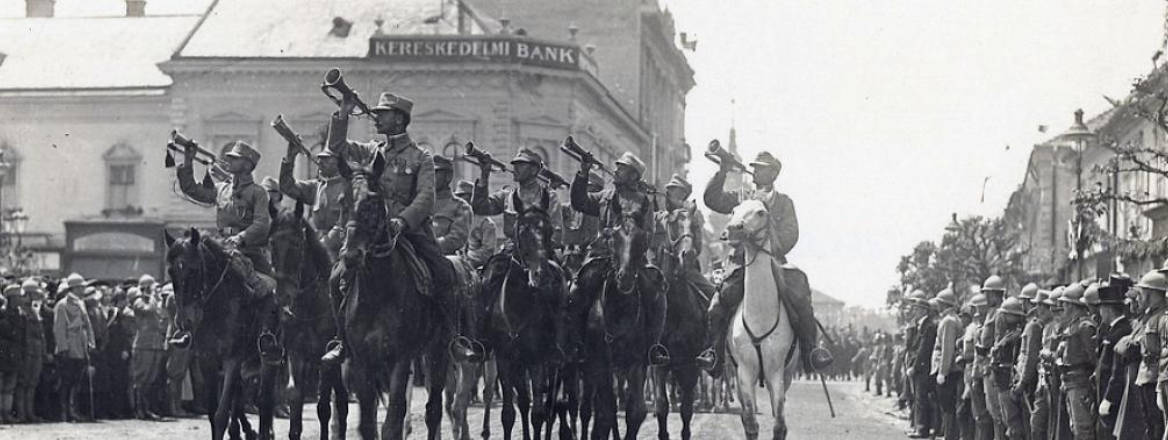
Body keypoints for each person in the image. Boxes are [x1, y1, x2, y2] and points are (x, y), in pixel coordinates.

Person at [320, 91, 471, 364]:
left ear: (400, 119)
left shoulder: (420, 157)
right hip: (372, 230)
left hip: (409, 232)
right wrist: (343, 113)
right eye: (376, 113)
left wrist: (403, 220)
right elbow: (337, 148)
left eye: (383, 113)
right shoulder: (371, 151)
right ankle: (342, 339)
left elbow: (426, 197)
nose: (377, 117)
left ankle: (452, 338)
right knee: (335, 277)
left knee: (443, 271)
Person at [698, 149, 823, 373]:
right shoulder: (742, 197)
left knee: (800, 295)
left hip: (774, 263)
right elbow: (712, 199)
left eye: (762, 169)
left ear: (774, 174)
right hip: (741, 264)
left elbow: (791, 233)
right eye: (754, 167)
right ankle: (713, 353)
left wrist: (767, 248)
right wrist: (723, 169)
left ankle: (810, 351)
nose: (755, 172)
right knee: (717, 305)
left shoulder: (784, 203)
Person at [173, 140, 280, 364]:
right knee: (195, 280)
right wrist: (189, 159)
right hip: (221, 246)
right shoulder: (222, 189)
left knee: (266, 291)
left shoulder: (258, 192)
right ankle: (189, 332)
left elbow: (261, 224)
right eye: (229, 158)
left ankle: (266, 337)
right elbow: (192, 189)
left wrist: (240, 237)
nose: (229, 161)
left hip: (249, 251)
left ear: (248, 164)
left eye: (235, 158)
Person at [569, 150, 668, 365]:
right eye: (617, 167)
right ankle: (575, 343)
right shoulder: (604, 196)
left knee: (657, 294)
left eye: (621, 168)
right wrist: (583, 172)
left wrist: (632, 241)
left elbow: (649, 233)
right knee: (576, 290)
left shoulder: (644, 202)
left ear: (633, 175)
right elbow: (579, 201)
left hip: (632, 259)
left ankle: (653, 347)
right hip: (602, 255)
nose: (615, 170)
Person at [279, 144, 349, 258]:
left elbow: (344, 224)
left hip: (341, 246)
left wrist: (323, 244)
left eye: (326, 159)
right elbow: (287, 186)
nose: (320, 162)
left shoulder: (348, 188)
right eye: (320, 159)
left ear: (339, 162)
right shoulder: (317, 187)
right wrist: (290, 158)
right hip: (316, 244)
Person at [652, 174, 715, 299]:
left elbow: (697, 246)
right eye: (669, 192)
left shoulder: (690, 217)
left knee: (713, 295)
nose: (670, 196)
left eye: (676, 193)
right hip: (658, 267)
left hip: (686, 269)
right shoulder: (659, 217)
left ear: (683, 196)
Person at [1058, 282, 1098, 440]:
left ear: (1073, 305)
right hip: (1071, 382)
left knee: (1083, 429)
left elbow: (1093, 358)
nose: (1063, 308)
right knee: (1075, 427)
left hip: (1081, 383)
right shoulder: (1074, 325)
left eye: (1066, 304)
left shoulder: (1085, 326)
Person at [52, 273, 95, 422]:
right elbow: (59, 328)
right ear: (74, 288)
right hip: (69, 347)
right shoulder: (62, 305)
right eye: (81, 287)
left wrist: (90, 342)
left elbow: (87, 325)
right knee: (66, 381)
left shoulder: (81, 303)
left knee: (77, 381)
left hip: (80, 346)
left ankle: (73, 409)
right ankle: (64, 412)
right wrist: (63, 348)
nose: (83, 290)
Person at [1094, 274, 1132, 439]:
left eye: (1101, 308)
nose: (1100, 312)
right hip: (1104, 393)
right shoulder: (1113, 330)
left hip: (1113, 399)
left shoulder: (1121, 331)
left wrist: (1109, 399)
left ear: (1108, 309)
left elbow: (1117, 372)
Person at [1014, 289, 1054, 440]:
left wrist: (1023, 382)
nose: (1040, 308)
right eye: (1039, 305)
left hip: (1032, 381)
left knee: (1035, 423)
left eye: (1043, 305)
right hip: (1032, 380)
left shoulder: (1036, 326)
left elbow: (1031, 356)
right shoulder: (1036, 325)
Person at [129, 280, 167, 420]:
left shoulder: (154, 301)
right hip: (143, 345)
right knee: (141, 379)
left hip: (155, 344)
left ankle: (147, 408)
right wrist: (152, 296)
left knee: (151, 378)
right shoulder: (139, 302)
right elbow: (148, 310)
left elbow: (161, 316)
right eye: (152, 287)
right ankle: (138, 409)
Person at [991, 296, 1027, 440]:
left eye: (1007, 314)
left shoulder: (1016, 336)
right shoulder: (1007, 334)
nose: (1003, 316)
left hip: (1008, 380)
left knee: (1013, 421)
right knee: (1006, 419)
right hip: (1001, 379)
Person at [976, 275, 1007, 440]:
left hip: (993, 365)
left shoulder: (1000, 313)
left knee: (997, 411)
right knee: (991, 409)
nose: (986, 297)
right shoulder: (991, 313)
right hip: (986, 364)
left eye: (988, 294)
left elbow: (998, 341)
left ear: (996, 294)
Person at [931, 289, 962, 440]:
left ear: (943, 303)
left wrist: (942, 372)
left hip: (948, 371)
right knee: (948, 407)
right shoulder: (951, 318)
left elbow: (947, 348)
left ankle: (950, 436)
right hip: (950, 369)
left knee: (948, 407)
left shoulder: (949, 320)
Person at [16, 279, 47, 423]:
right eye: (34, 293)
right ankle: (22, 413)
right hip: (26, 351)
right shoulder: (21, 310)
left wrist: (43, 351)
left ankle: (30, 412)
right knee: (23, 383)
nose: (37, 296)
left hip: (37, 350)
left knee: (32, 382)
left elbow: (41, 334)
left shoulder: (35, 310)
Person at [431, 156, 471, 256]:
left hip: (444, 256)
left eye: (436, 173)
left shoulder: (460, 206)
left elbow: (457, 238)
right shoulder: (419, 203)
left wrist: (432, 245)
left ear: (448, 176)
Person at [453, 180, 496, 268]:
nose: (460, 201)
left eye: (463, 197)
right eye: (458, 197)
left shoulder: (485, 223)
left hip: (479, 267)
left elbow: (488, 250)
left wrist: (467, 260)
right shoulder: (456, 220)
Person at [0, 284, 24, 424]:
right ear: (11, 298)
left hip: (14, 353)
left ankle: (6, 413)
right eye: (18, 297)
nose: (21, 299)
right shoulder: (2, 313)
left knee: (10, 387)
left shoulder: (19, 314)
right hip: (3, 352)